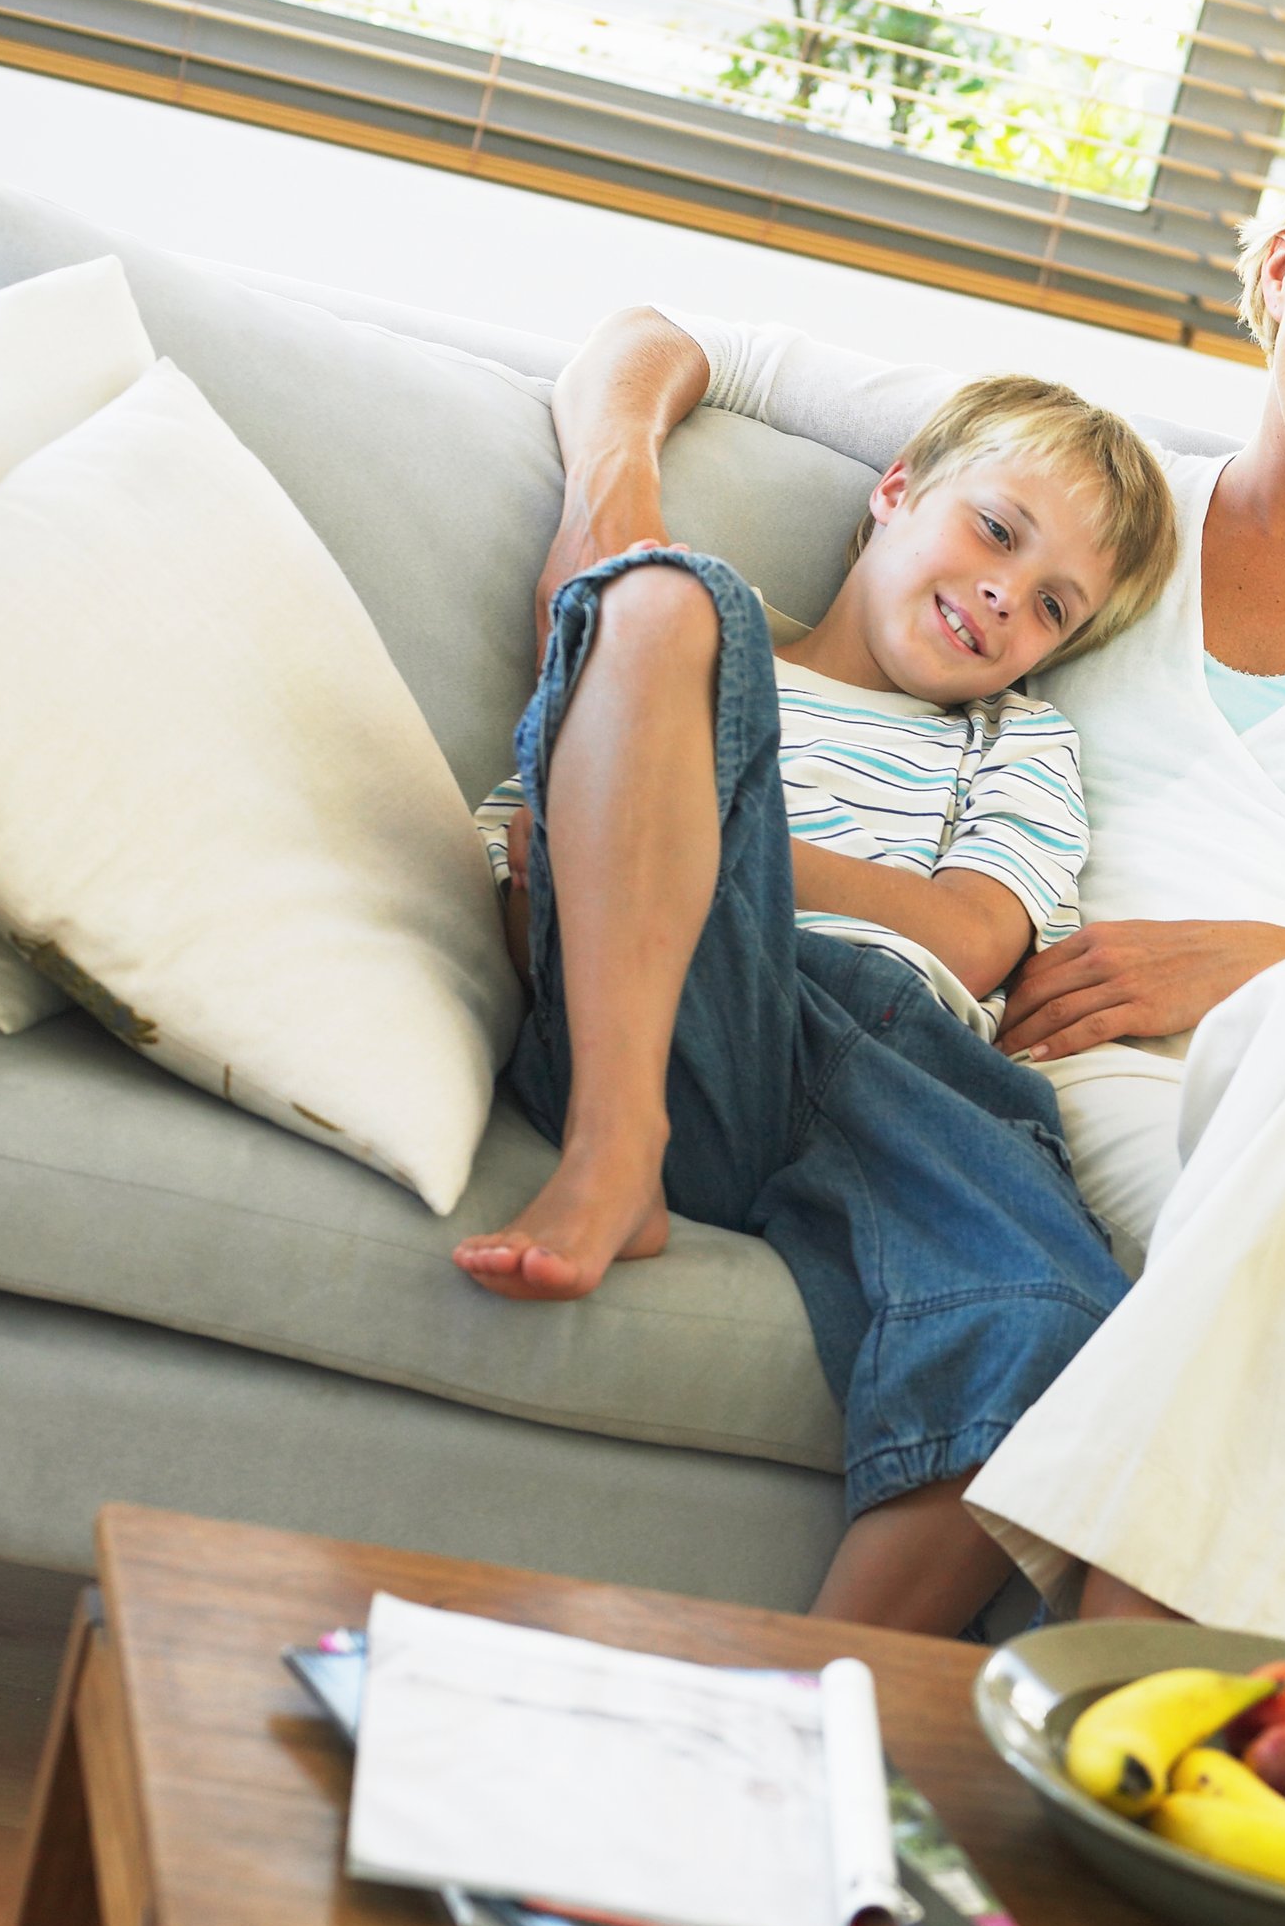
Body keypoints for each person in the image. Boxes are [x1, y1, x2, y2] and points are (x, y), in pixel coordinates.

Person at [536, 113, 1285, 1680]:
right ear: (1277, 271)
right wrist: (608, 516)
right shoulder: (1089, 511)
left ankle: (1103, 1662)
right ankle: (1237, 1842)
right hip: (1111, 1108)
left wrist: (1251, 965)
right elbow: (667, 342)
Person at [456, 372, 1181, 1630]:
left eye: (1054, 605)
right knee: (668, 593)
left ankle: (809, 1713)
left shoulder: (1014, 744)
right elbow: (532, 874)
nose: (1009, 594)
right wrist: (668, 803)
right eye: (997, 531)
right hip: (670, 1009)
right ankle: (614, 1148)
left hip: (895, 1067)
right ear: (894, 493)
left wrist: (687, 821)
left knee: (1062, 1323)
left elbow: (967, 930)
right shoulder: (691, 664)